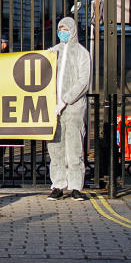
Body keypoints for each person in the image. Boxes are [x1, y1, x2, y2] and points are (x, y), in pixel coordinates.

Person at [46, 17, 91, 201]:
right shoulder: (54, 52)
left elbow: (83, 81)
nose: (62, 32)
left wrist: (65, 100)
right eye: (60, 29)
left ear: (72, 30)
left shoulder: (82, 53)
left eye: (65, 29)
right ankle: (58, 184)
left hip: (74, 108)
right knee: (55, 147)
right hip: (54, 108)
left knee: (74, 147)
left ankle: (76, 186)